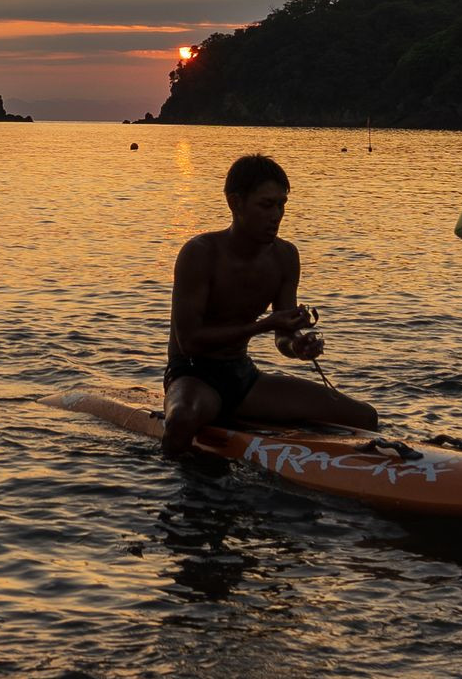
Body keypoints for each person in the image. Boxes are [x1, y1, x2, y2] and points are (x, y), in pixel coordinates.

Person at [163, 153, 380, 454]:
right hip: (193, 376)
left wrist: (298, 345)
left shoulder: (285, 257)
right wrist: (263, 325)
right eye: (266, 205)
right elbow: (189, 341)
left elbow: (283, 337)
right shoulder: (200, 253)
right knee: (182, 419)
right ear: (235, 203)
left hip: (243, 377)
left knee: (365, 417)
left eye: (281, 205)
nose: (276, 215)